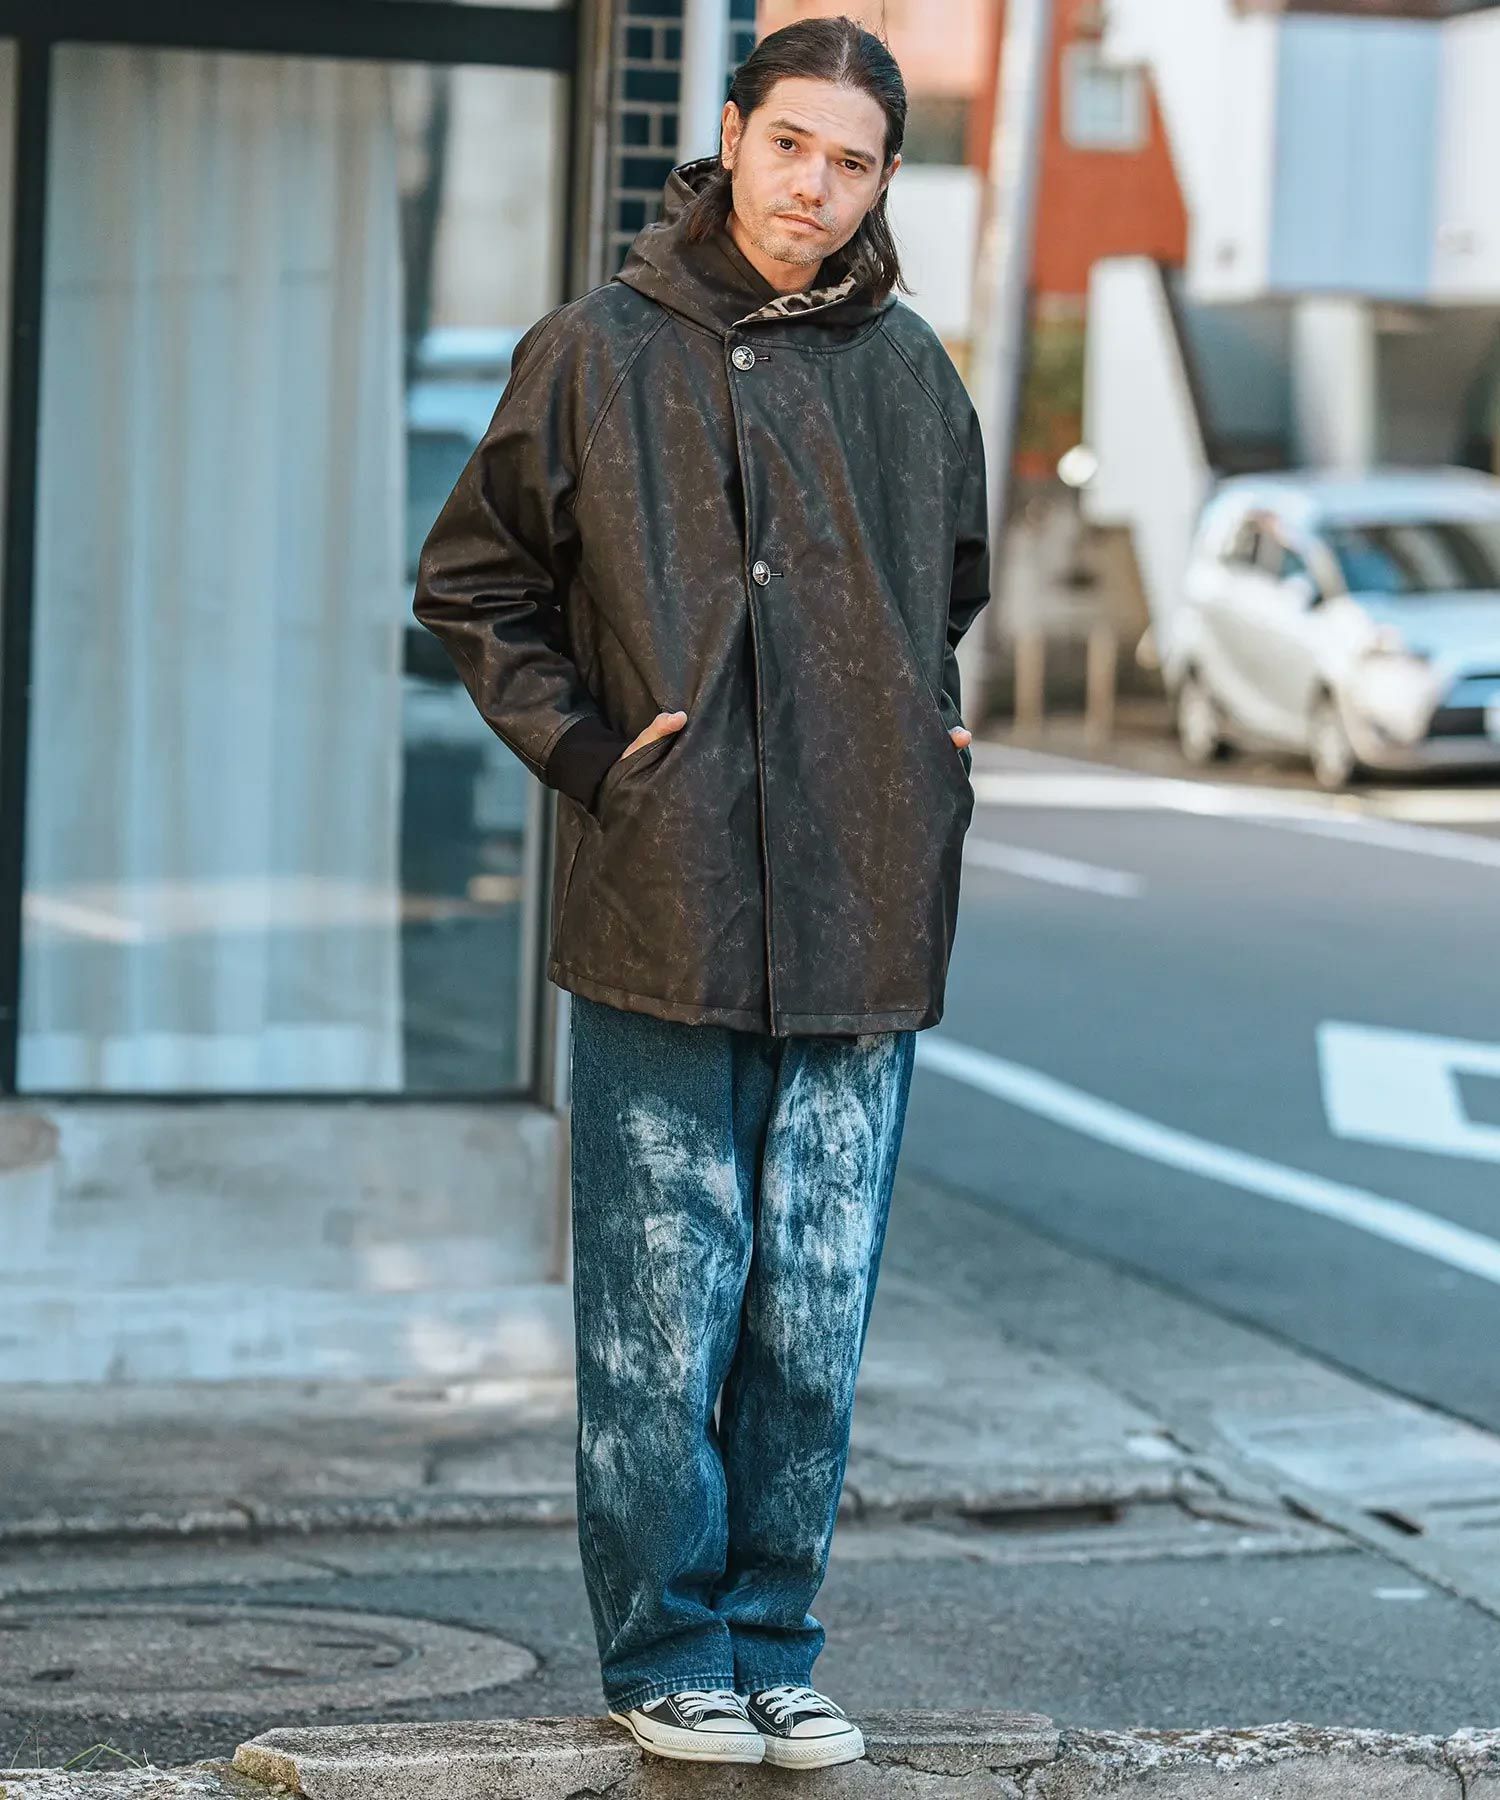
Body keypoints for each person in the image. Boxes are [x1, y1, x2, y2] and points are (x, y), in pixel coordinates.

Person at [412, 14, 989, 1773]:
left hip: (866, 905)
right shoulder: (594, 350)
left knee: (813, 1311)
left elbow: (949, 584)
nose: (816, 187)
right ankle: (669, 1649)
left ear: (885, 181)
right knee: (665, 1312)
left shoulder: (911, 373)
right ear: (731, 135)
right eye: (791, 144)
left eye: (853, 162)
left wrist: (922, 735)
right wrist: (596, 758)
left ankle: (774, 1645)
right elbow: (473, 586)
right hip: (664, 898)